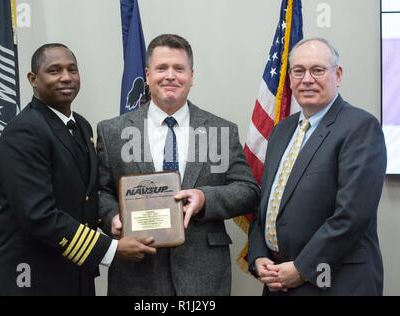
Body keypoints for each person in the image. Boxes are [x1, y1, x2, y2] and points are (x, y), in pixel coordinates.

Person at [0, 43, 156, 296]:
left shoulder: (81, 127)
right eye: (54, 70)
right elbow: (39, 216)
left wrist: (117, 219)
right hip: (29, 279)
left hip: (73, 274)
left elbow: (84, 199)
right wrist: (111, 249)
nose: (66, 77)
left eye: (72, 69)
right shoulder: (25, 132)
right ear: (33, 79)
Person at [96, 34, 260, 296]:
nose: (170, 76)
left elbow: (249, 191)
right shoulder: (112, 131)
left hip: (203, 276)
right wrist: (113, 216)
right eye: (161, 68)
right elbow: (100, 191)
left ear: (191, 76)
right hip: (137, 276)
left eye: (179, 69)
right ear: (148, 75)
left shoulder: (221, 130)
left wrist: (205, 198)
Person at [248, 37, 387, 296]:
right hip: (278, 281)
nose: (307, 79)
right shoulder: (281, 131)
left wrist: (302, 267)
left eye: (317, 70)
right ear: (289, 77)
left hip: (334, 282)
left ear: (338, 75)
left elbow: (351, 216)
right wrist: (258, 257)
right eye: (298, 71)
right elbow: (265, 205)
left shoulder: (360, 128)